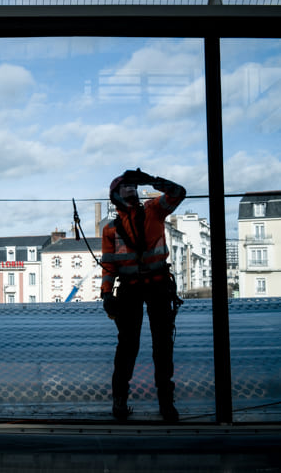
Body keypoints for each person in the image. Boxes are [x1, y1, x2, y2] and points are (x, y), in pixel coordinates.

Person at [101, 169, 186, 422]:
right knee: (128, 345)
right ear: (115, 195)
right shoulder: (111, 230)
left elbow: (178, 192)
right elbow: (108, 266)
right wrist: (106, 295)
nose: (131, 188)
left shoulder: (154, 209)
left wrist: (151, 180)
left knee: (162, 344)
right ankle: (120, 401)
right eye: (125, 186)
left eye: (133, 185)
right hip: (133, 288)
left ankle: (165, 402)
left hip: (156, 285)